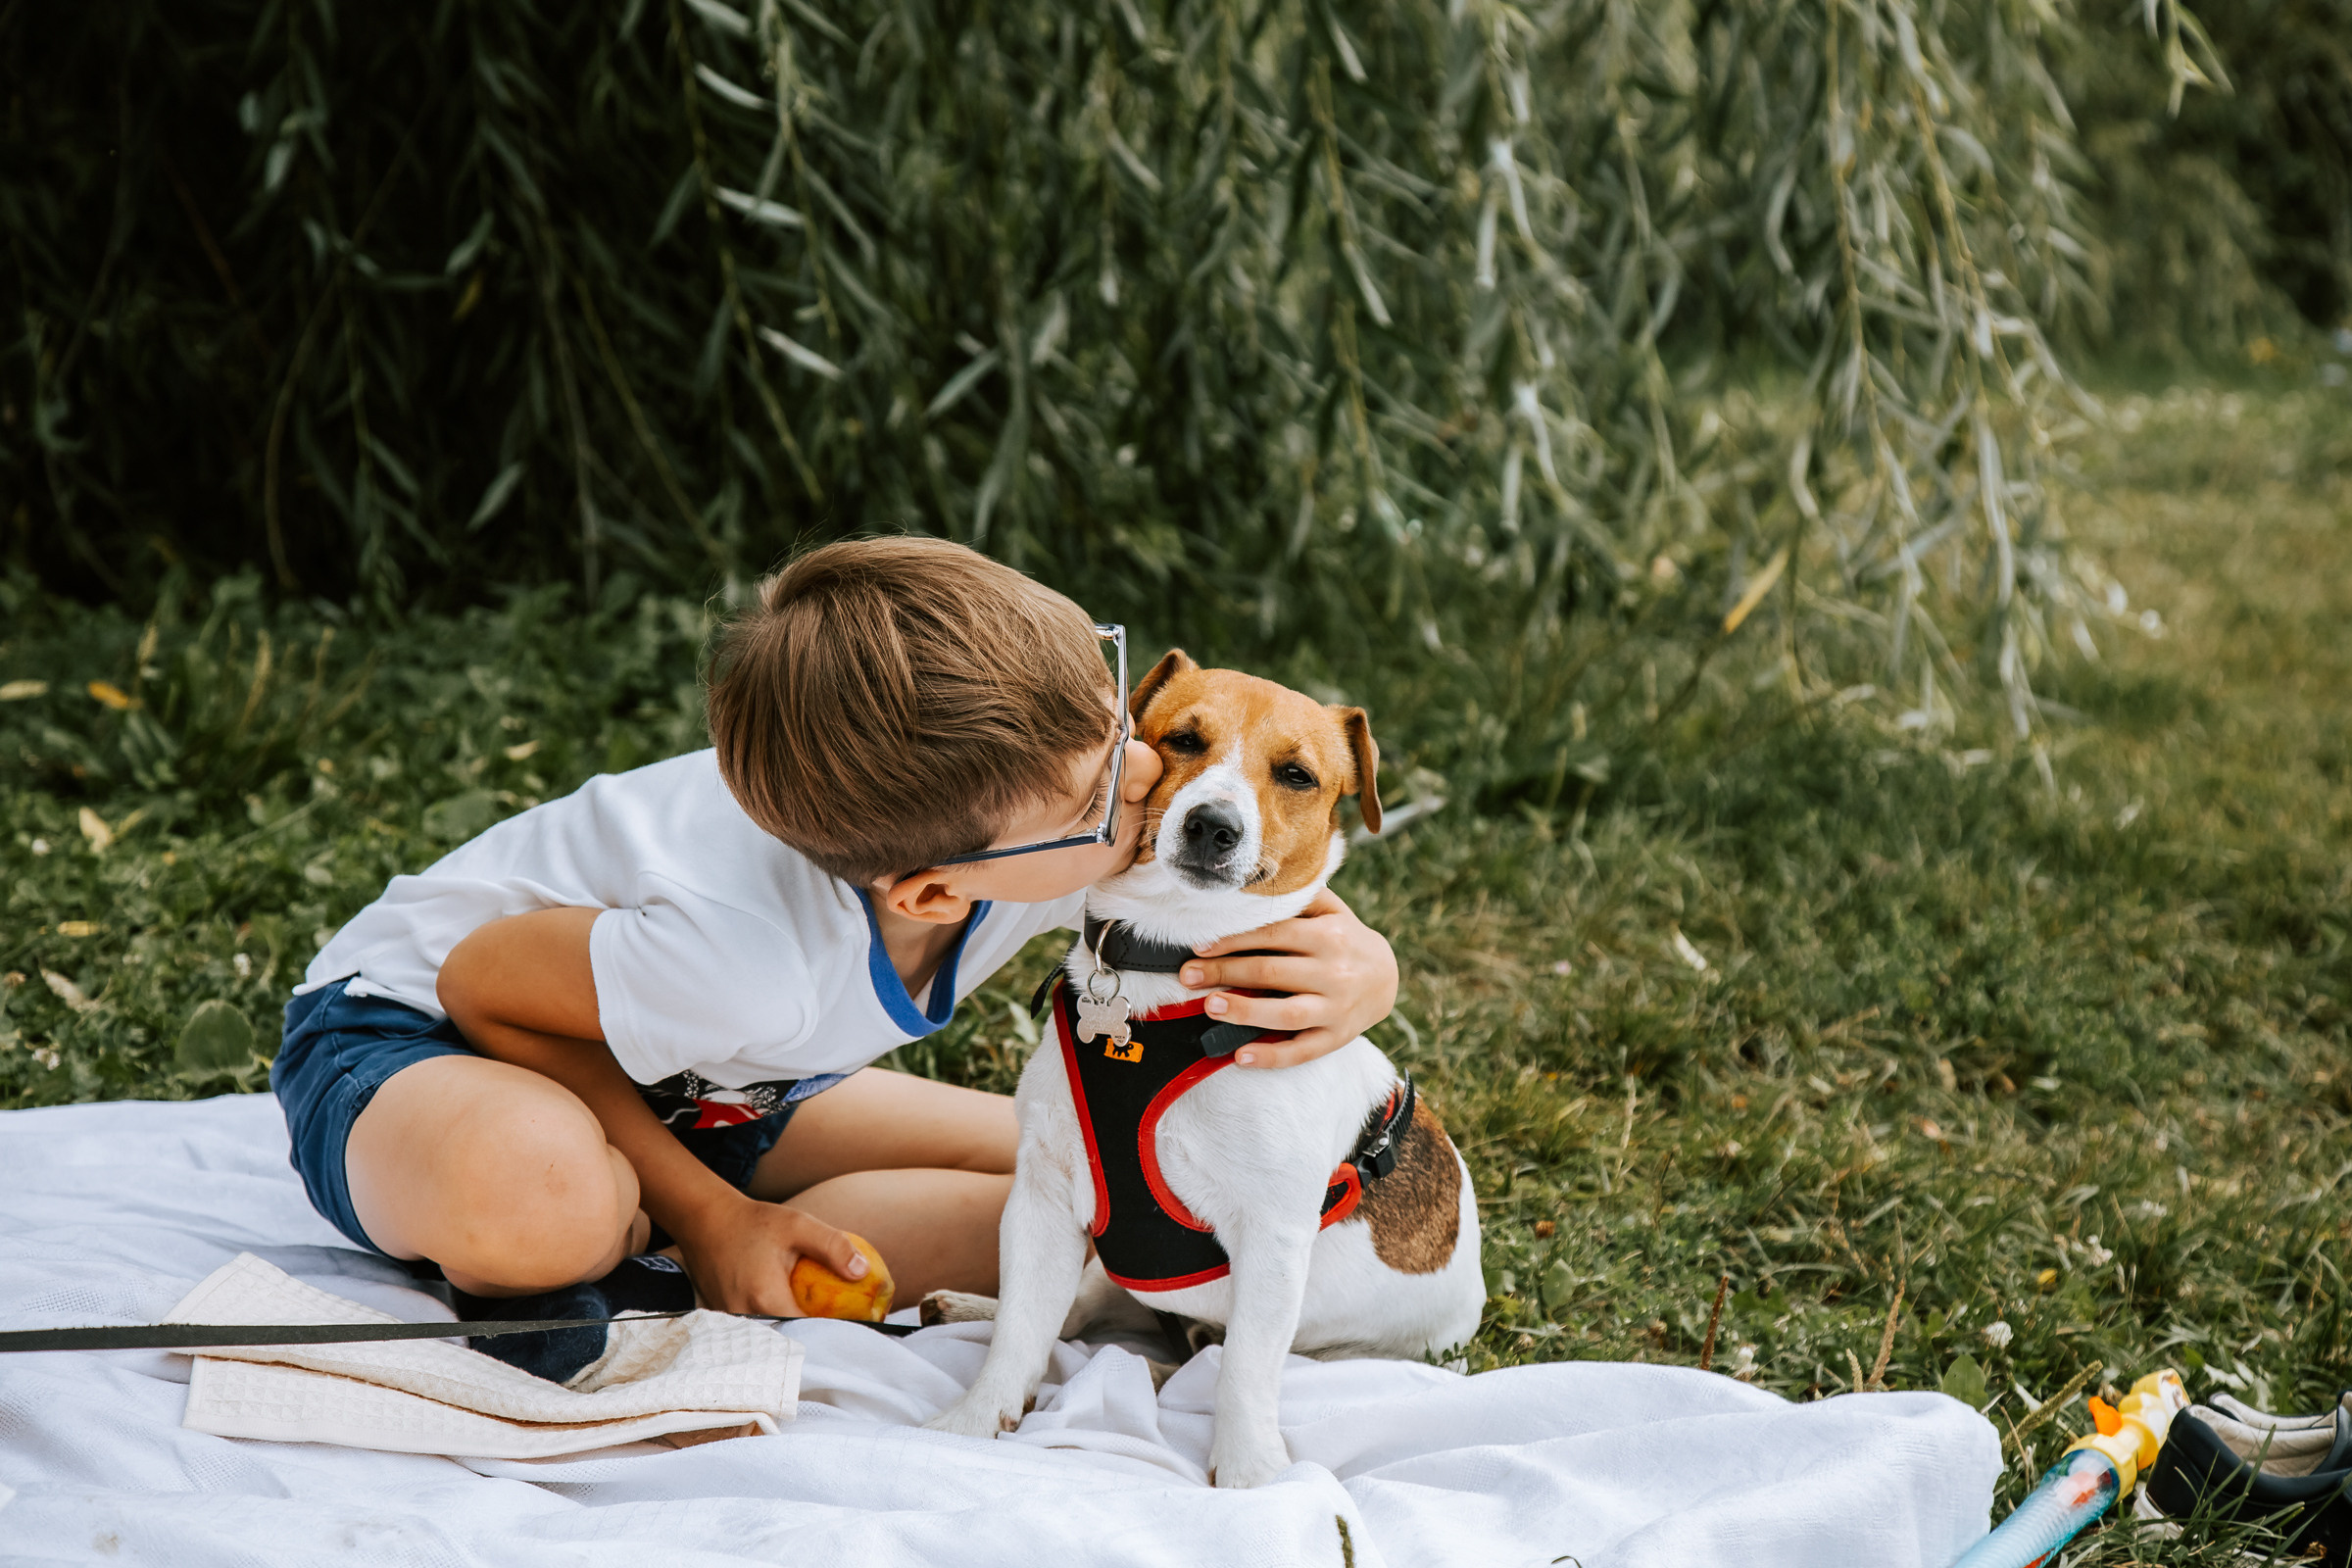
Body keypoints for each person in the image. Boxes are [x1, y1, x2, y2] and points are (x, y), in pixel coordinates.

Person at [269, 538, 1396, 1372]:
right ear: (932, 893)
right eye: (1105, 788)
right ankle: (617, 1231)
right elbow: (481, 985)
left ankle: (664, 1217)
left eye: (1118, 727)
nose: (1150, 781)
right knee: (549, 1195)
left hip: (714, 1082)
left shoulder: (1033, 831)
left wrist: (1364, 967)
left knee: (1099, 1183)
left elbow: (1260, 898)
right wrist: (710, 1216)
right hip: (418, 1039)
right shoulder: (747, 952)